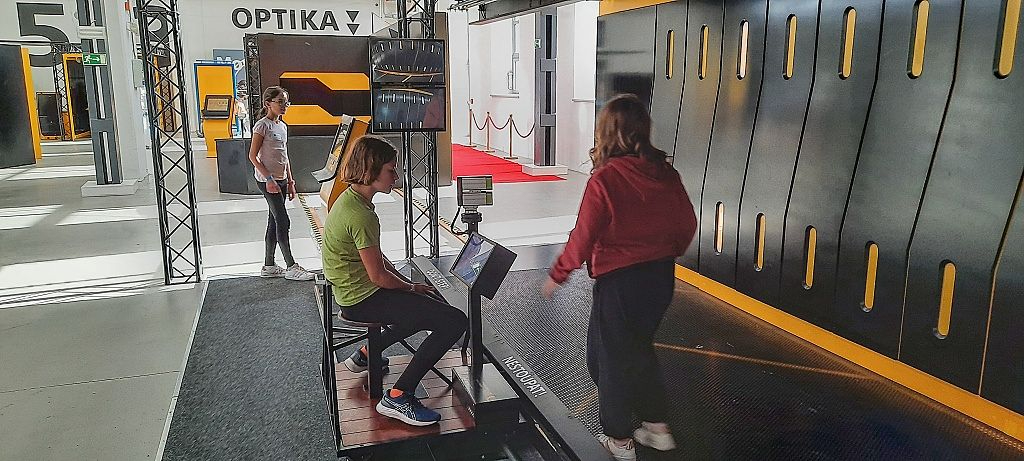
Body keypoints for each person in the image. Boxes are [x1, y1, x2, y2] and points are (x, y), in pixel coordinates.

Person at [541, 94, 697, 461]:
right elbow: (687, 223)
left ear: (607, 131)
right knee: (638, 350)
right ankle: (657, 428)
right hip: (660, 278)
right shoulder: (666, 173)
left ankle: (619, 439)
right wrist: (664, 250)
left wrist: (559, 273)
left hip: (620, 282)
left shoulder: (607, 178)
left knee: (606, 360)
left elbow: (584, 234)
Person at [322, 134, 467, 426]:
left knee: (424, 306)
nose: (396, 176)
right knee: (454, 321)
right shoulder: (360, 215)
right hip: (361, 299)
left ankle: (367, 353)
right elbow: (378, 276)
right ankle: (399, 396)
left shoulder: (351, 200)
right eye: (391, 169)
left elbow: (377, 259)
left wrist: (410, 288)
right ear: (370, 171)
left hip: (352, 291)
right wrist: (410, 287)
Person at [247, 86, 315, 281]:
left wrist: (291, 181)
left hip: (282, 180)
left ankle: (269, 265)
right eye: (280, 102)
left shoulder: (282, 126)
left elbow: (284, 156)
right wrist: (268, 179)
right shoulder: (262, 126)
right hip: (268, 182)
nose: (284, 106)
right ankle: (291, 266)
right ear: (268, 103)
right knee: (283, 220)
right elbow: (252, 156)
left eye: (286, 102)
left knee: (274, 220)